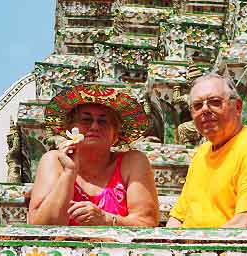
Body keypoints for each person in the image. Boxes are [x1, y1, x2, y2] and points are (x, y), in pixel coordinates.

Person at [28, 84, 159, 226]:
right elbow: (41, 227)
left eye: (103, 121)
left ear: (115, 134)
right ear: (70, 129)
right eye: (86, 120)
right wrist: (68, 173)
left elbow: (147, 223)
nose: (95, 126)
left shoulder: (133, 161)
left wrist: (105, 219)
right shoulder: (54, 160)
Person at [166, 74, 247, 228]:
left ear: (238, 107)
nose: (205, 110)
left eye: (215, 102)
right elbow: (177, 218)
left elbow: (243, 222)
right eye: (197, 105)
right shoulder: (202, 152)